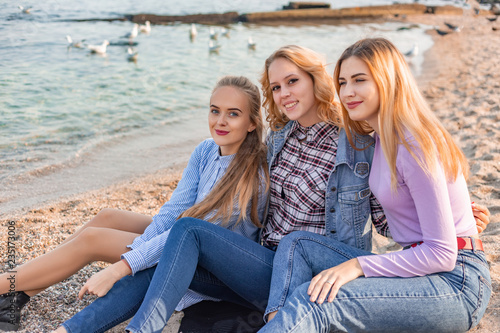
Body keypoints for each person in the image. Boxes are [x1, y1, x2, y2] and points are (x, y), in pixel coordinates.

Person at [54, 45, 489, 333]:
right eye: (276, 87)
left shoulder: (363, 145)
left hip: (315, 267)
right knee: (185, 236)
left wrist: (455, 214)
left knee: (282, 243)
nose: (282, 93)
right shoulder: (276, 141)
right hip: (264, 261)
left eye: (292, 82)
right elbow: (399, 208)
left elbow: (386, 210)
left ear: (315, 81)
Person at [0, 75, 269, 332]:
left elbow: (190, 236)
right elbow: (173, 212)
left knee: (93, 240)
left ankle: (6, 286)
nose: (220, 121)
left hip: (207, 265)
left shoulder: (250, 177)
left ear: (252, 122)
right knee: (107, 218)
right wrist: (140, 246)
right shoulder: (205, 150)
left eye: (233, 114)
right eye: (215, 111)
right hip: (183, 233)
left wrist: (131, 260)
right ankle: (19, 293)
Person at [258, 38, 492, 332]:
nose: (347, 92)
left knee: (313, 303)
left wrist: (357, 266)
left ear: (387, 81)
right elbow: (396, 218)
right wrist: (456, 213)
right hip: (418, 267)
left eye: (359, 80)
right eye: (342, 82)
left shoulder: (415, 144)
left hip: (455, 282)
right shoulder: (381, 141)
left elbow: (442, 254)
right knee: (297, 243)